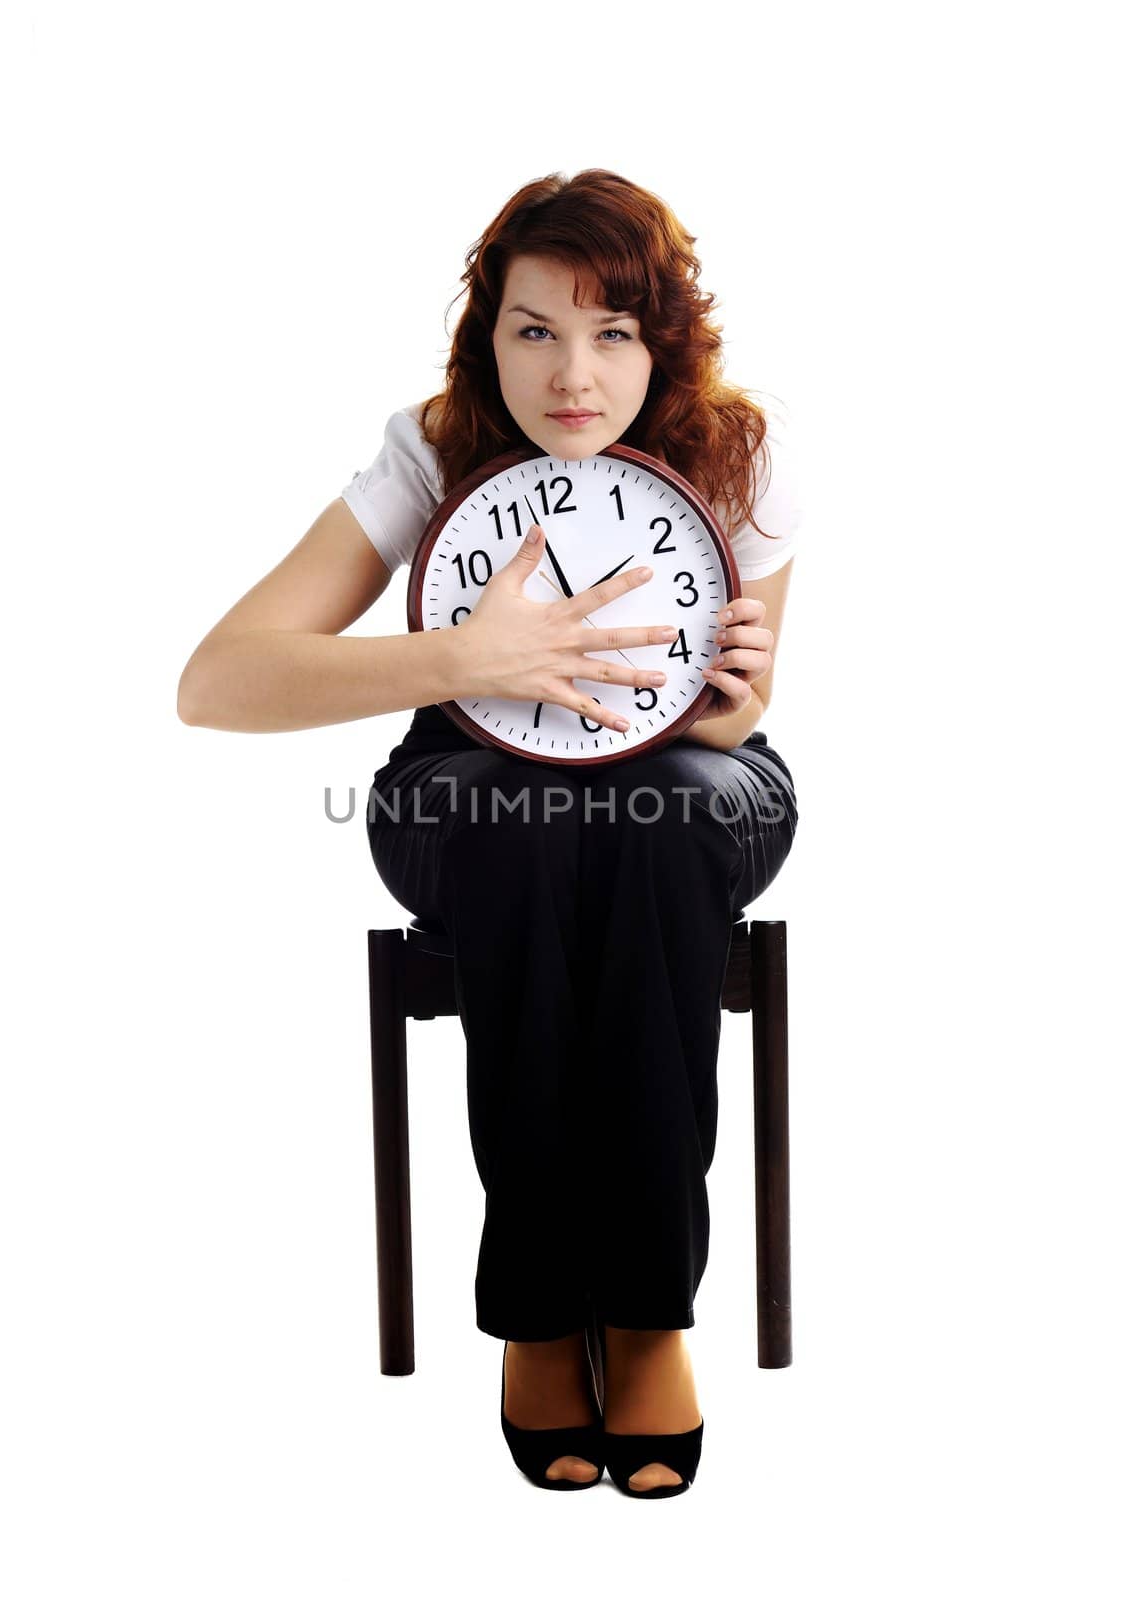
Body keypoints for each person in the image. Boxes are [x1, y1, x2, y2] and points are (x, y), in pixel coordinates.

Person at [177, 169, 802, 1499]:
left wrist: (734, 712)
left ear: (660, 339)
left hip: (685, 780)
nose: (572, 373)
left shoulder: (738, 452)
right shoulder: (436, 443)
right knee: (517, 821)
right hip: (466, 778)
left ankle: (643, 1315)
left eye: (611, 332)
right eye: (534, 329)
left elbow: (739, 711)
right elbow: (216, 682)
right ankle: (534, 1311)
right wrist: (457, 656)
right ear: (487, 333)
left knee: (658, 821)